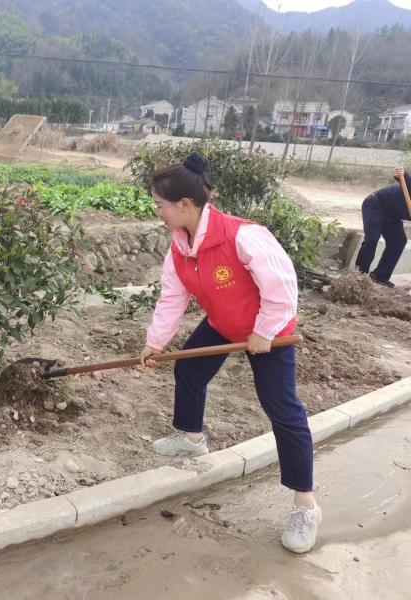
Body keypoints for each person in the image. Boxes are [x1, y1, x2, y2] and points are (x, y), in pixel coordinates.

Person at [139, 153, 320, 554]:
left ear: (184, 205)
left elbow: (282, 289)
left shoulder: (243, 236)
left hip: (270, 333)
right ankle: (192, 438)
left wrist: (263, 331)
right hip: (224, 323)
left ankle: (305, 505)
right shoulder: (180, 247)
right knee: (189, 369)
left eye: (160, 205)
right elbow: (172, 298)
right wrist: (156, 342)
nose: (158, 211)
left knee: (282, 408)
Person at [354, 165, 411, 288]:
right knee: (372, 239)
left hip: (392, 215)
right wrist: (403, 174)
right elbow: (406, 181)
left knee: (399, 241)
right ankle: (358, 275)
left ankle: (380, 275)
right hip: (376, 204)